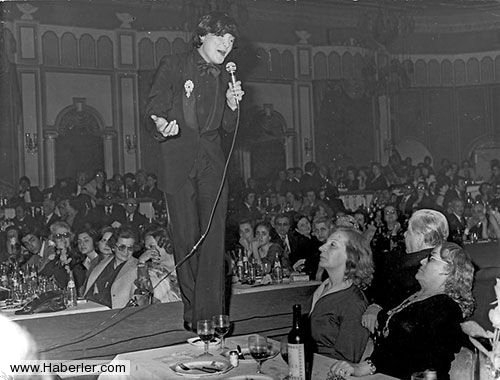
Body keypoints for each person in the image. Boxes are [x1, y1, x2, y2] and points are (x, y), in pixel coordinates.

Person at [144, 11, 244, 329]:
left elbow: (228, 127)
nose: (227, 46)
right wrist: (161, 124)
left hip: (212, 165)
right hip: (178, 163)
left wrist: (231, 105)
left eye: (231, 41)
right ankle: (193, 311)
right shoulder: (174, 64)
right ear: (203, 36)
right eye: (221, 38)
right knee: (187, 240)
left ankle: (210, 315)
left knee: (213, 239)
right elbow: (154, 105)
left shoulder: (223, 77)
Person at [331, 242, 474, 379]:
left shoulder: (446, 308)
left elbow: (410, 349)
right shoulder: (415, 294)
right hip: (386, 373)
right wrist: (374, 309)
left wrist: (365, 367)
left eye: (431, 258)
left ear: (448, 270)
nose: (423, 261)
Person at [362, 209, 449, 334]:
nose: (404, 235)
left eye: (409, 231)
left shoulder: (417, 269)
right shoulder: (443, 259)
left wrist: (376, 306)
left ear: (420, 237)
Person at [308, 227, 374, 362]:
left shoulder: (354, 303)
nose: (321, 248)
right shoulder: (323, 287)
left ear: (351, 256)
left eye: (332, 245)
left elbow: (347, 360)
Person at [84, 227, 138, 309]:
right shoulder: (102, 264)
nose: (126, 252)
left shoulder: (137, 267)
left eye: (130, 248)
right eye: (122, 247)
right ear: (113, 247)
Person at [138, 224, 181, 303]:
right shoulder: (152, 271)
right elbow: (145, 296)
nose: (148, 252)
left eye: (152, 246)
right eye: (147, 248)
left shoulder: (185, 264)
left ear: (165, 243)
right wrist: (141, 263)